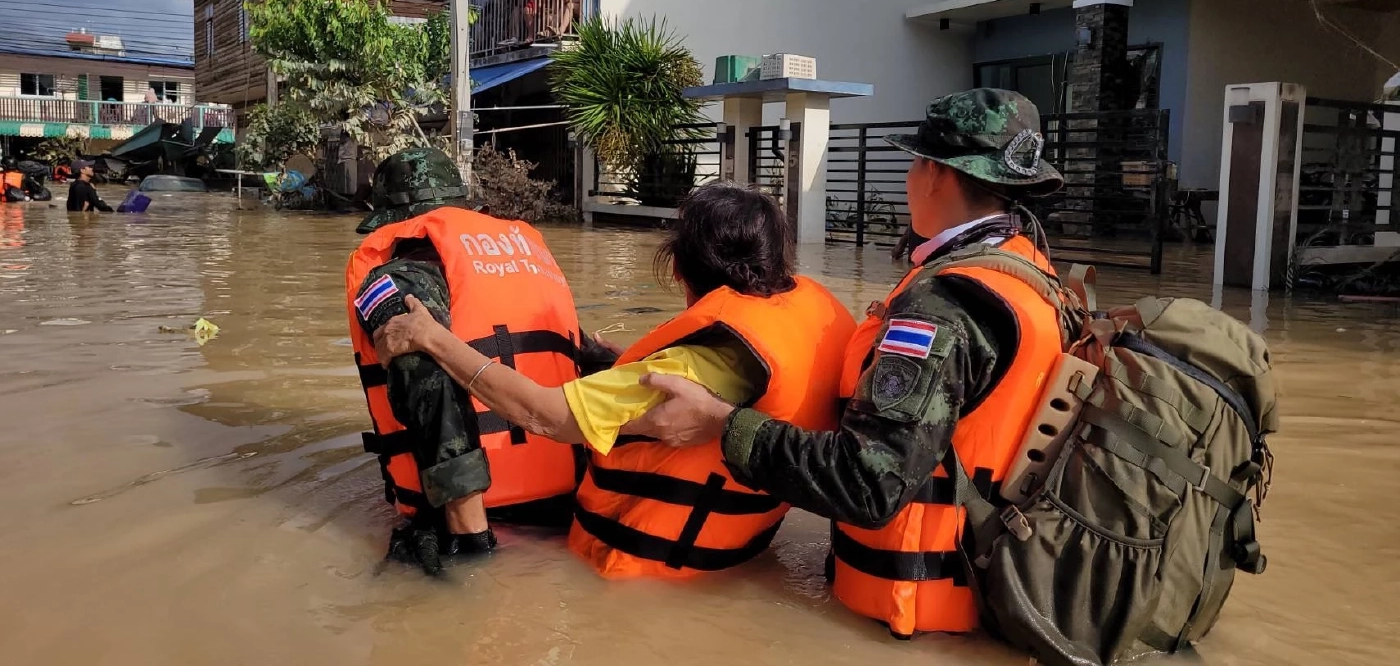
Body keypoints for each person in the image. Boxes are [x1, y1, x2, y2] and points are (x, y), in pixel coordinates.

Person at [624, 89, 1067, 637]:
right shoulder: (1031, 274)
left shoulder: (943, 306)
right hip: (988, 591)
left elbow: (868, 484)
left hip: (920, 621)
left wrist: (723, 423)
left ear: (934, 173)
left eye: (914, 163)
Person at [375, 182, 857, 579]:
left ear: (678, 268)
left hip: (640, 575)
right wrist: (617, 363)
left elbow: (545, 415)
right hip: (737, 558)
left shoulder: (685, 369)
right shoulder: (815, 324)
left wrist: (433, 338)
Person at [346, 147, 591, 576]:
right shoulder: (528, 260)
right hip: (574, 506)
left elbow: (424, 373)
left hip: (482, 519)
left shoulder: (399, 277)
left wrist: (470, 537)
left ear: (393, 220)